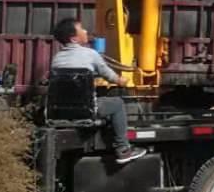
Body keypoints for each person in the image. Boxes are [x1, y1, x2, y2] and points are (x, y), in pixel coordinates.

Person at [50, 17, 146, 163]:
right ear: (74, 39)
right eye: (81, 29)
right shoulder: (90, 54)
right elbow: (109, 76)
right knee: (117, 103)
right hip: (87, 110)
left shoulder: (57, 59)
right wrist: (122, 81)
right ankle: (123, 149)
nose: (86, 31)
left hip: (62, 111)